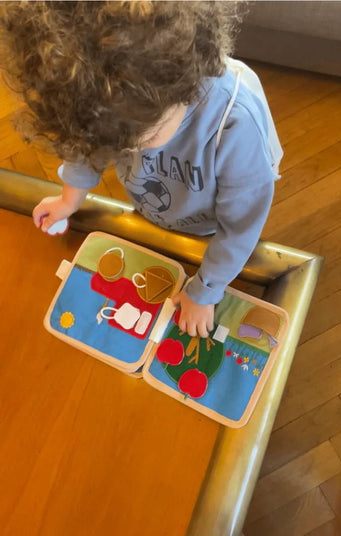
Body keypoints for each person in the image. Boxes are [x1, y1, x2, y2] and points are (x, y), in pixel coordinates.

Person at [0, 1, 282, 338]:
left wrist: (205, 291)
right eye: (114, 143)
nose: (127, 150)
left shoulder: (236, 127)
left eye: (140, 138)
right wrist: (69, 200)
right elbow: (86, 148)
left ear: (183, 88)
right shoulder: (107, 99)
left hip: (211, 227)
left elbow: (241, 228)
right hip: (157, 212)